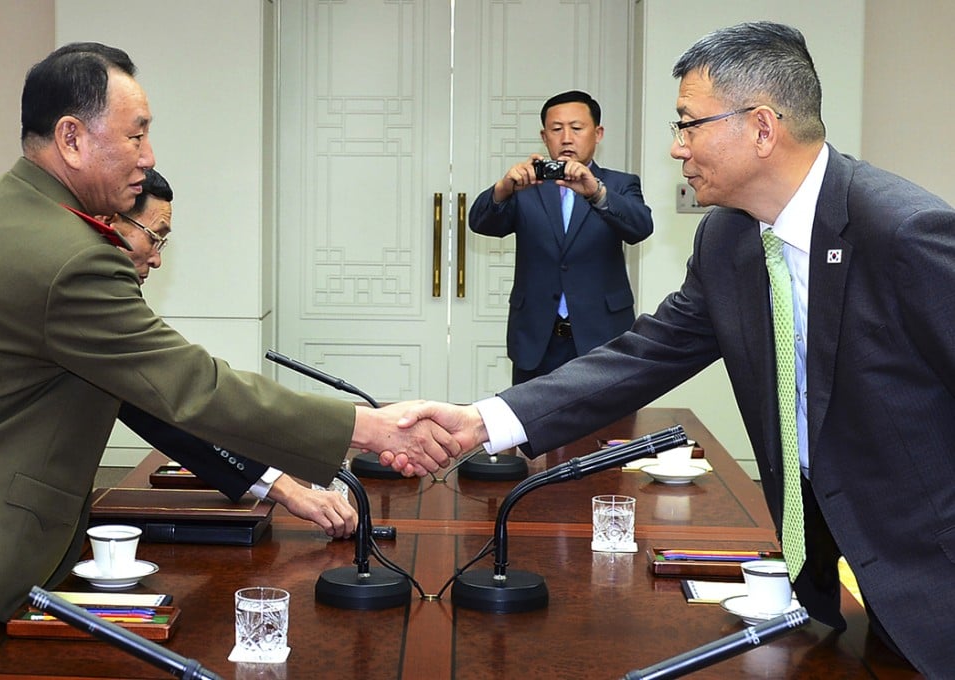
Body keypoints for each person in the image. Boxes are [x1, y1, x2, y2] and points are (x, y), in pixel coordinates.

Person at [393, 22, 955, 676]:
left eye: (689, 125)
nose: (676, 148)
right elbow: (643, 356)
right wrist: (483, 420)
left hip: (933, 571)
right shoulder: (729, 242)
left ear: (762, 128)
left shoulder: (903, 231)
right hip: (839, 571)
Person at [0, 42, 459, 657]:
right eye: (135, 137)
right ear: (71, 138)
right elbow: (190, 385)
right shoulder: (68, 255)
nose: (148, 157)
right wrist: (368, 428)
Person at [102, 168, 356, 537]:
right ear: (110, 221)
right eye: (154, 237)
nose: (157, 259)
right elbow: (174, 402)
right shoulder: (83, 287)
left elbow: (161, 404)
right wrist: (290, 484)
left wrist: (283, 484)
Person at [469, 90, 653, 384]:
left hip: (603, 334)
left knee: (609, 425)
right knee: (531, 425)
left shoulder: (619, 184)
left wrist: (597, 193)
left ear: (598, 133)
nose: (566, 138)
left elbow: (640, 228)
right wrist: (503, 187)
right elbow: (480, 222)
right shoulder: (525, 186)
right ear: (544, 137)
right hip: (536, 338)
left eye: (577, 128)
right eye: (556, 129)